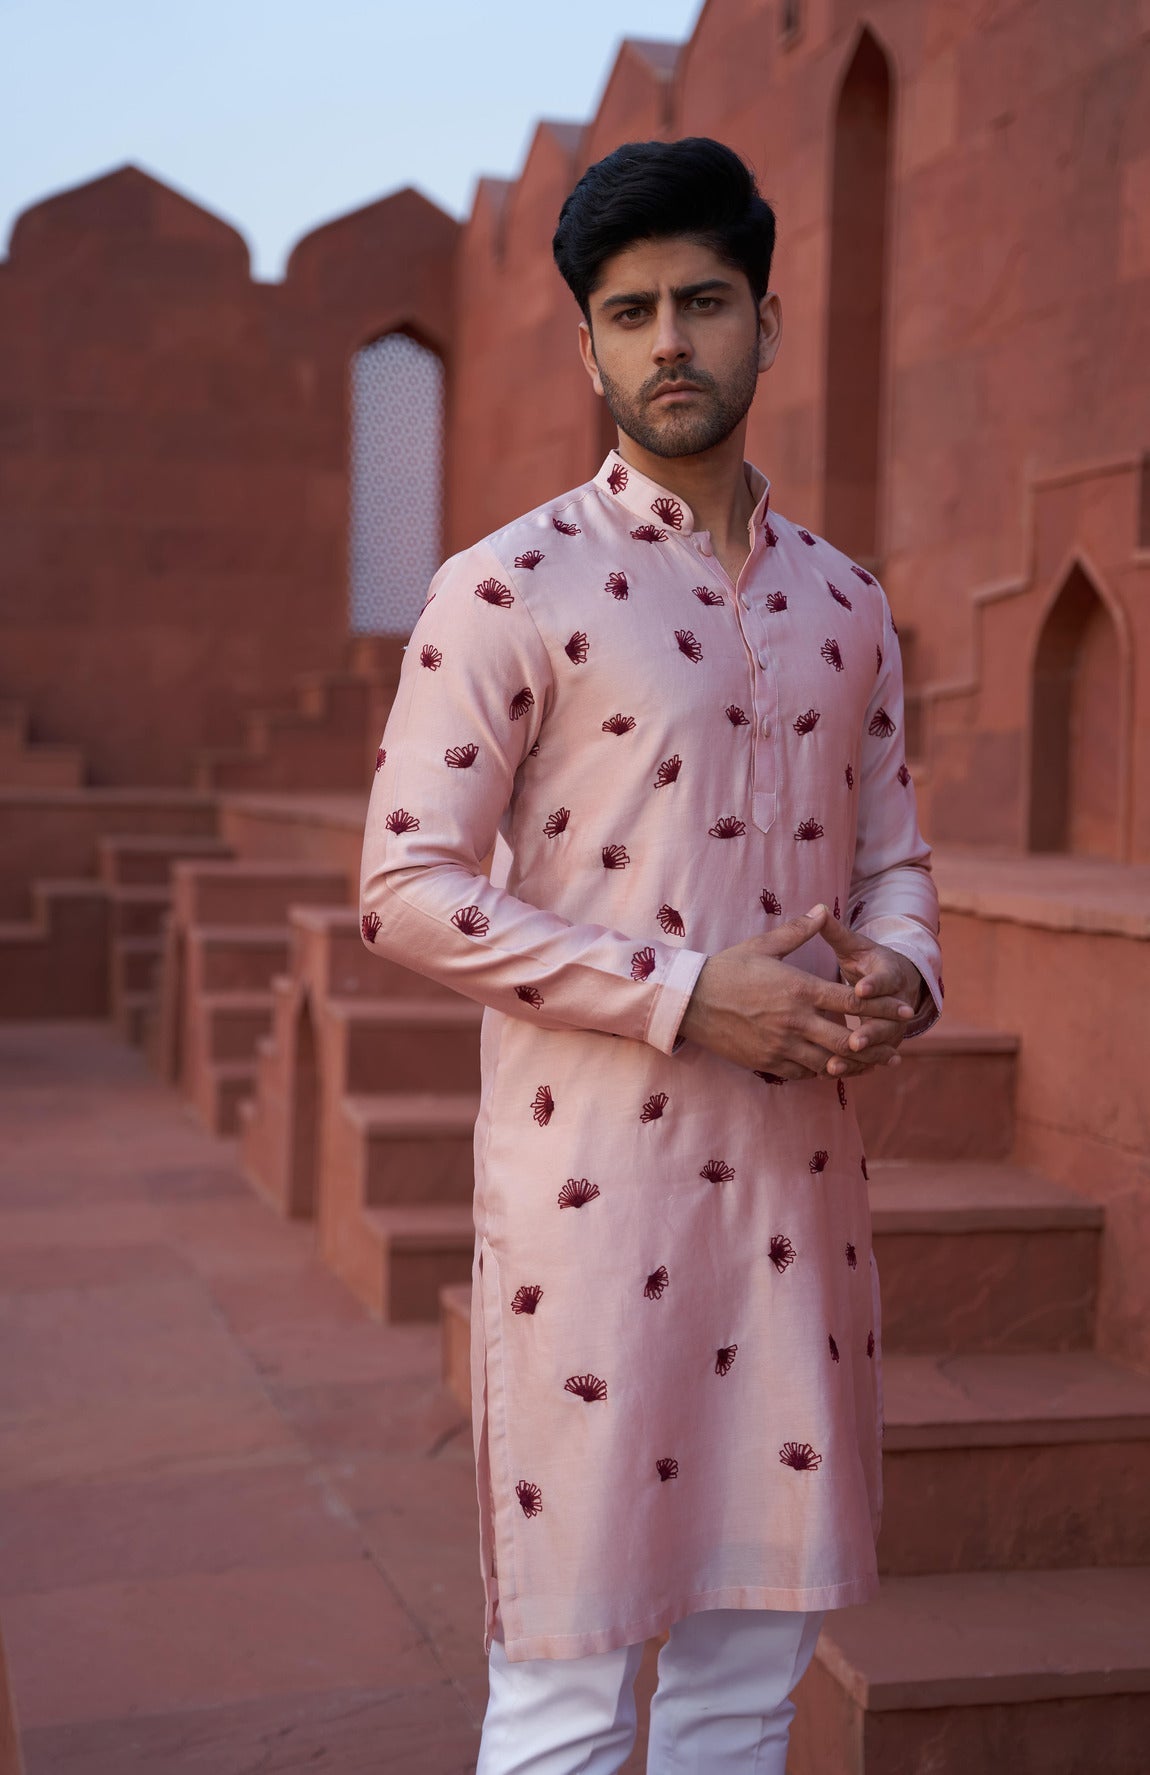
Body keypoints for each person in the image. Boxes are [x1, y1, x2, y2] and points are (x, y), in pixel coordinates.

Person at [359, 136, 942, 1774]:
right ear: (588, 344)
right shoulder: (506, 586)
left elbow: (895, 850)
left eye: (701, 301)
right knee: (560, 1687)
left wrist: (904, 970)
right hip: (588, 1207)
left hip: (793, 1203)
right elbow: (404, 885)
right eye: (629, 314)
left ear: (766, 316)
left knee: (746, 1685)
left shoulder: (846, 602)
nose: (667, 342)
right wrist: (692, 995)